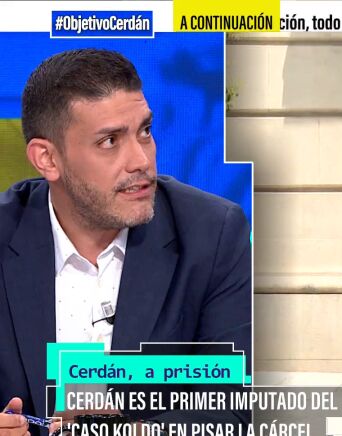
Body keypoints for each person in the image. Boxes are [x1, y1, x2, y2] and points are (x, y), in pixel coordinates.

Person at [0, 49, 251, 432]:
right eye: (109, 141)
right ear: (47, 159)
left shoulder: (212, 235)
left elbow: (231, 409)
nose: (141, 161)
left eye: (145, 131)